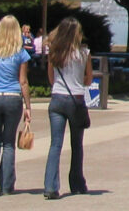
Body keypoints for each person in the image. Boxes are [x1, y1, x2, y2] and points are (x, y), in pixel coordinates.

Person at [0, 15, 32, 196]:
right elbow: (23, 81)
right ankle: (7, 186)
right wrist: (28, 107)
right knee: (9, 143)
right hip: (12, 98)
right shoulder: (20, 53)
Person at [44, 16, 92, 199]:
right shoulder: (84, 53)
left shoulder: (54, 52)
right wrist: (78, 80)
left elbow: (51, 78)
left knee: (55, 144)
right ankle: (77, 183)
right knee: (76, 144)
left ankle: (50, 186)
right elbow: (88, 79)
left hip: (57, 98)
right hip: (76, 99)